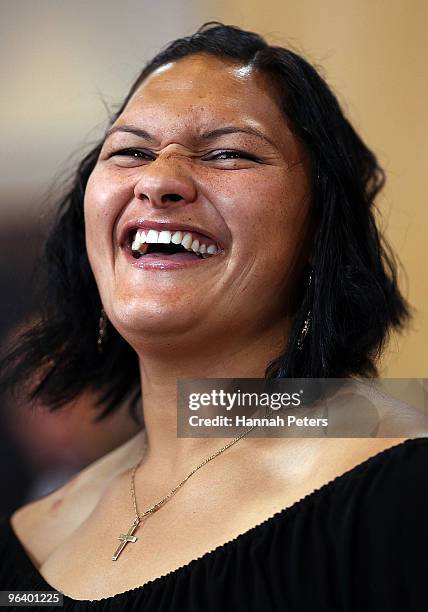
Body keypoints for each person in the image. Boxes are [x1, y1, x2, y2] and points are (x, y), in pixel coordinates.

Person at [0, 22, 426, 610]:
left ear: (321, 233)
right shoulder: (31, 535)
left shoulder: (400, 481)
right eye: (130, 152)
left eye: (228, 153)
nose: (159, 181)